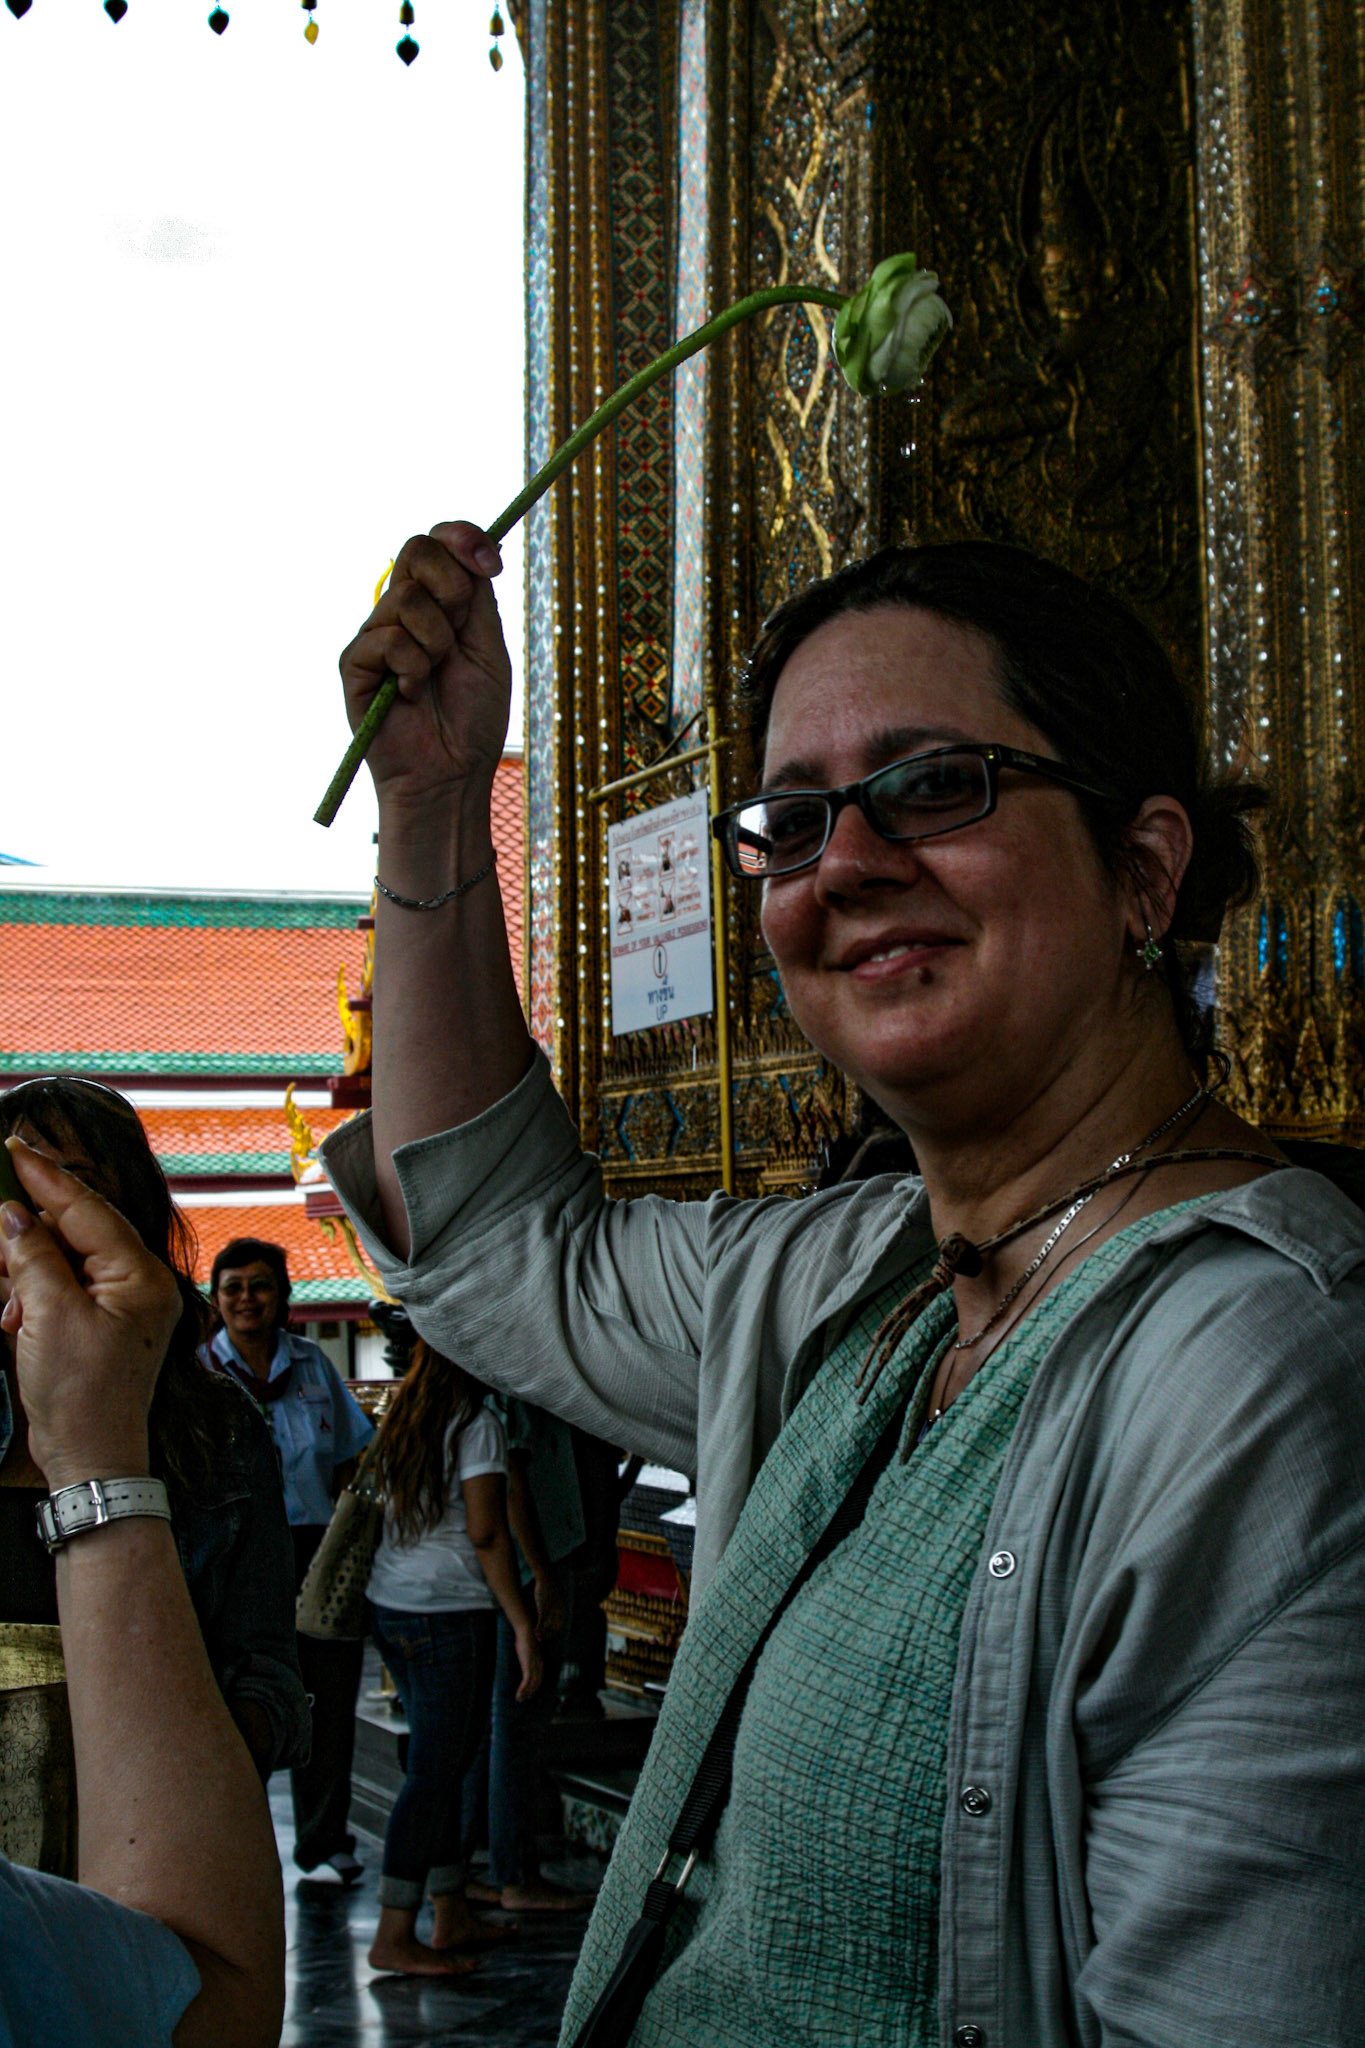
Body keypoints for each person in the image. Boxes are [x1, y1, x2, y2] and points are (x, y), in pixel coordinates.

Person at [320, 521, 1365, 2044]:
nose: (850, 867)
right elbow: (487, 1253)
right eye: (791, 823)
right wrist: (427, 800)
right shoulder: (857, 1279)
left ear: (1143, 868)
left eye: (936, 786)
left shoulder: (1254, 1371)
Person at [0, 1135, 284, 2048]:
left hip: (160, 1827)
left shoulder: (218, 1429)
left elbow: (269, 1665)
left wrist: (184, 1758)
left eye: (85, 1196)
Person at [364, 1340, 543, 1975]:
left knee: (442, 1760)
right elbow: (487, 1532)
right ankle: (393, 1931)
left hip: (393, 1605)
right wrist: (523, 1623)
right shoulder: (479, 1425)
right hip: (449, 1613)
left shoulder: (406, 1416)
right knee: (436, 1774)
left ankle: (449, 1911)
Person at [206, 1236, 374, 1884]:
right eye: (233, 1288)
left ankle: (323, 1838)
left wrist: (346, 1533)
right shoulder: (201, 1375)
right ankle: (231, 1842)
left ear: (282, 1297)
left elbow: (351, 1455)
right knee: (232, 1696)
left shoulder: (312, 1368)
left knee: (327, 1696)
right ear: (217, 1300)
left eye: (260, 1286)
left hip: (311, 1552)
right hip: (232, 1557)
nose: (247, 1299)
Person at [461, 1396, 595, 1914]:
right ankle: (514, 1872)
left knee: (501, 1724)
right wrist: (541, 1574)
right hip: (524, 1573)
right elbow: (511, 1482)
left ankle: (473, 1864)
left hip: (528, 1566)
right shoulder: (507, 1380)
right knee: (517, 1718)